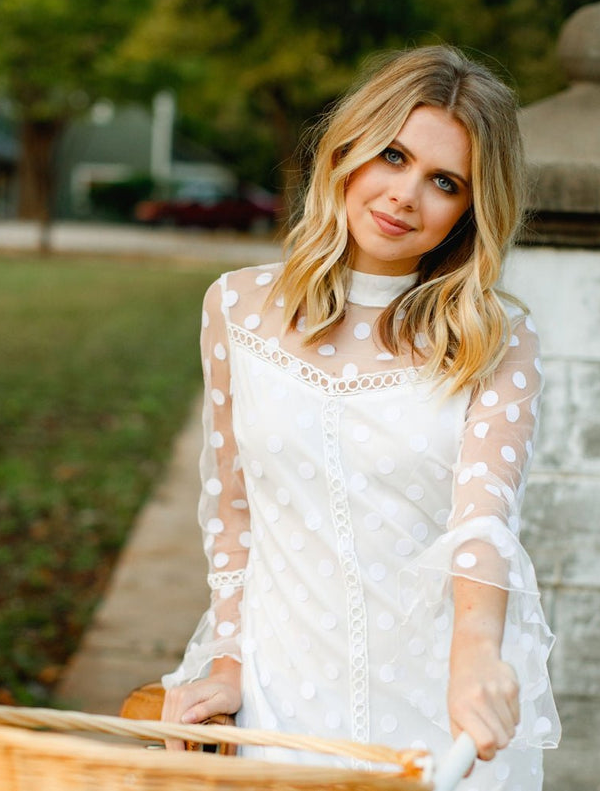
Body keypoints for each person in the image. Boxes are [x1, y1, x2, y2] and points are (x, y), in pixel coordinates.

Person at [161, 44, 560, 790]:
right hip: (279, 700)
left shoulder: (497, 338)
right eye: (391, 155)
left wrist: (477, 650)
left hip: (437, 709)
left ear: (470, 210)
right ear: (347, 150)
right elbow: (234, 509)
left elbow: (483, 519)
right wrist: (228, 660)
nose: (405, 194)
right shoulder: (235, 307)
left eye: (444, 181)